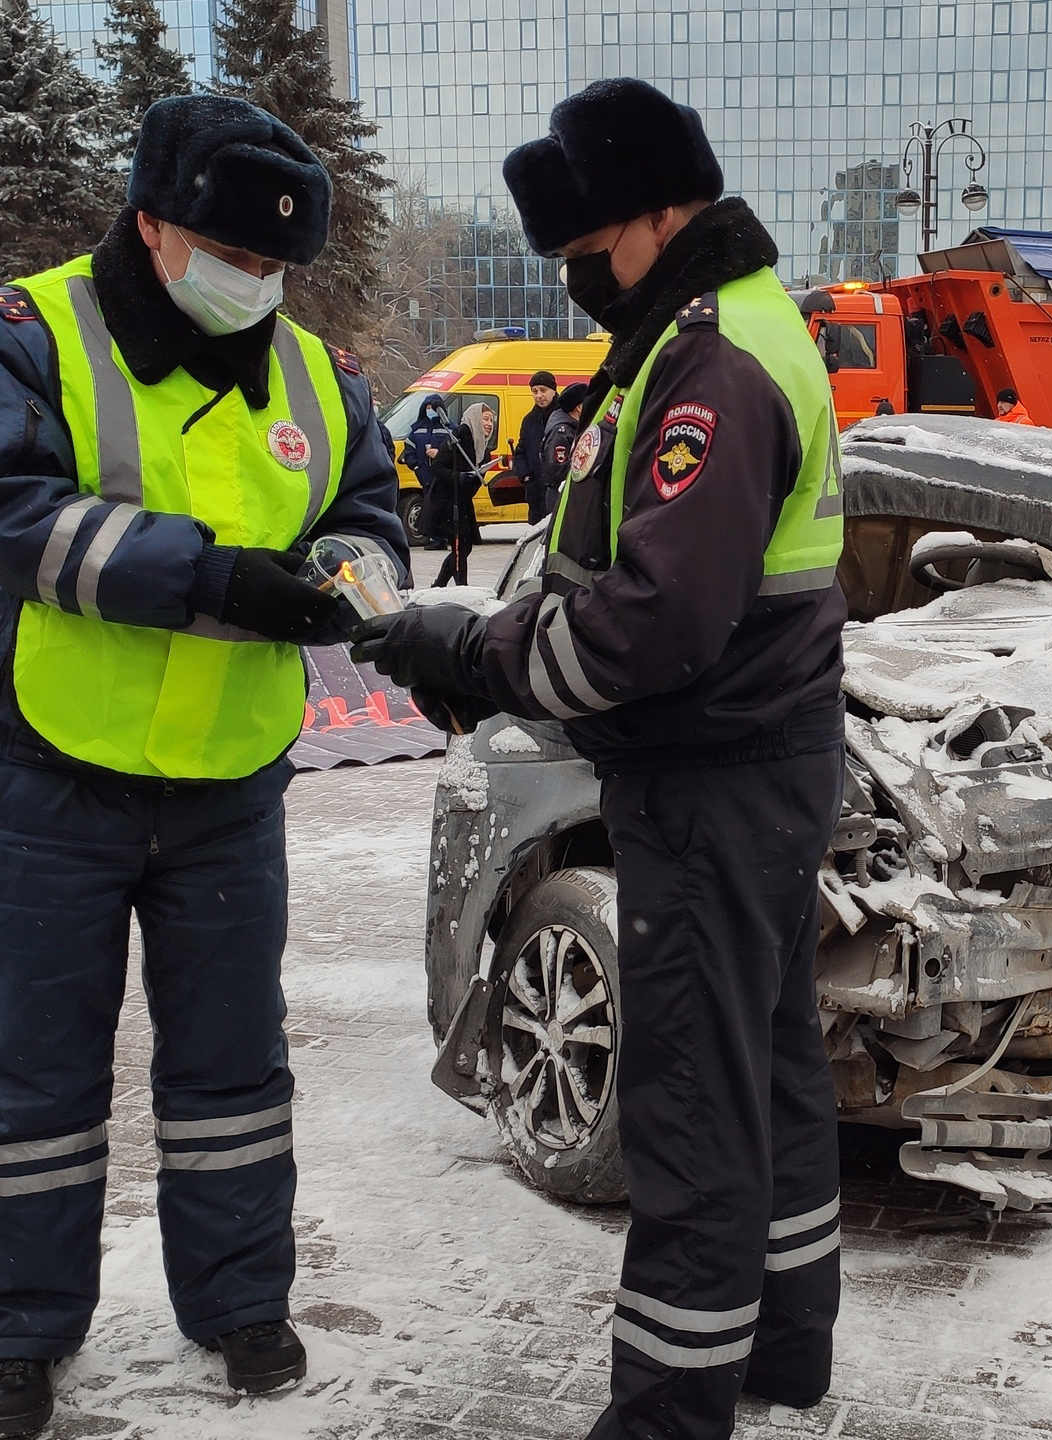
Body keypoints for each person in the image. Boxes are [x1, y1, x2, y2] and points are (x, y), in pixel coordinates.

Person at [350, 78, 846, 1440]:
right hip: (753, 760)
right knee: (767, 1070)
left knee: (688, 1096)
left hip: (713, 773)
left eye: (588, 248)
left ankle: (668, 1412)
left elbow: (655, 623)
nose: (578, 275)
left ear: (659, 214)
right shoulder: (709, 331)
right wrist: (485, 656)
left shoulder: (715, 364)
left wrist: (473, 653)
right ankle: (784, 1348)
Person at [0, 95, 406, 1439]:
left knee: (233, 1074)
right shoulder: (23, 332)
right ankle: (20, 1337)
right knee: (33, 1080)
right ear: (152, 222)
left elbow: (370, 515)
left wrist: (346, 581)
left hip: (228, 782)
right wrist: (217, 581)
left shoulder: (315, 374)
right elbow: (7, 514)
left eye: (275, 264)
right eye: (232, 253)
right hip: (49, 776)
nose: (254, 281)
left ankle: (240, 1303)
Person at [421, 403, 488, 586]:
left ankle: (439, 585)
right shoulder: (459, 436)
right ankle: (459, 587)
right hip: (446, 503)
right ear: (474, 419)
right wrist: (458, 477)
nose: (489, 424)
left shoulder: (481, 443)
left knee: (463, 548)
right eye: (485, 419)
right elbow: (437, 467)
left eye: (491, 420)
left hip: (462, 501)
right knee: (460, 548)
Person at [398, 395, 456, 550]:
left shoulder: (449, 428)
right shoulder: (417, 429)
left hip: (444, 477)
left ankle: (445, 538)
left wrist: (440, 453)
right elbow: (409, 451)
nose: (430, 410)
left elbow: (456, 449)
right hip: (425, 476)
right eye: (428, 407)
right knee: (429, 508)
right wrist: (416, 467)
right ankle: (435, 538)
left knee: (444, 508)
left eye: (433, 407)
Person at [515, 369, 560, 521]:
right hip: (536, 492)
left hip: (559, 488)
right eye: (534, 391)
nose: (539, 395)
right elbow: (520, 451)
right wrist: (525, 475)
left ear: (553, 390)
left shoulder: (565, 415)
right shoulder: (529, 420)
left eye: (543, 390)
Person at [539, 380, 589, 511]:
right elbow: (559, 470)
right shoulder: (562, 432)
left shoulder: (571, 427)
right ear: (579, 407)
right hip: (561, 495)